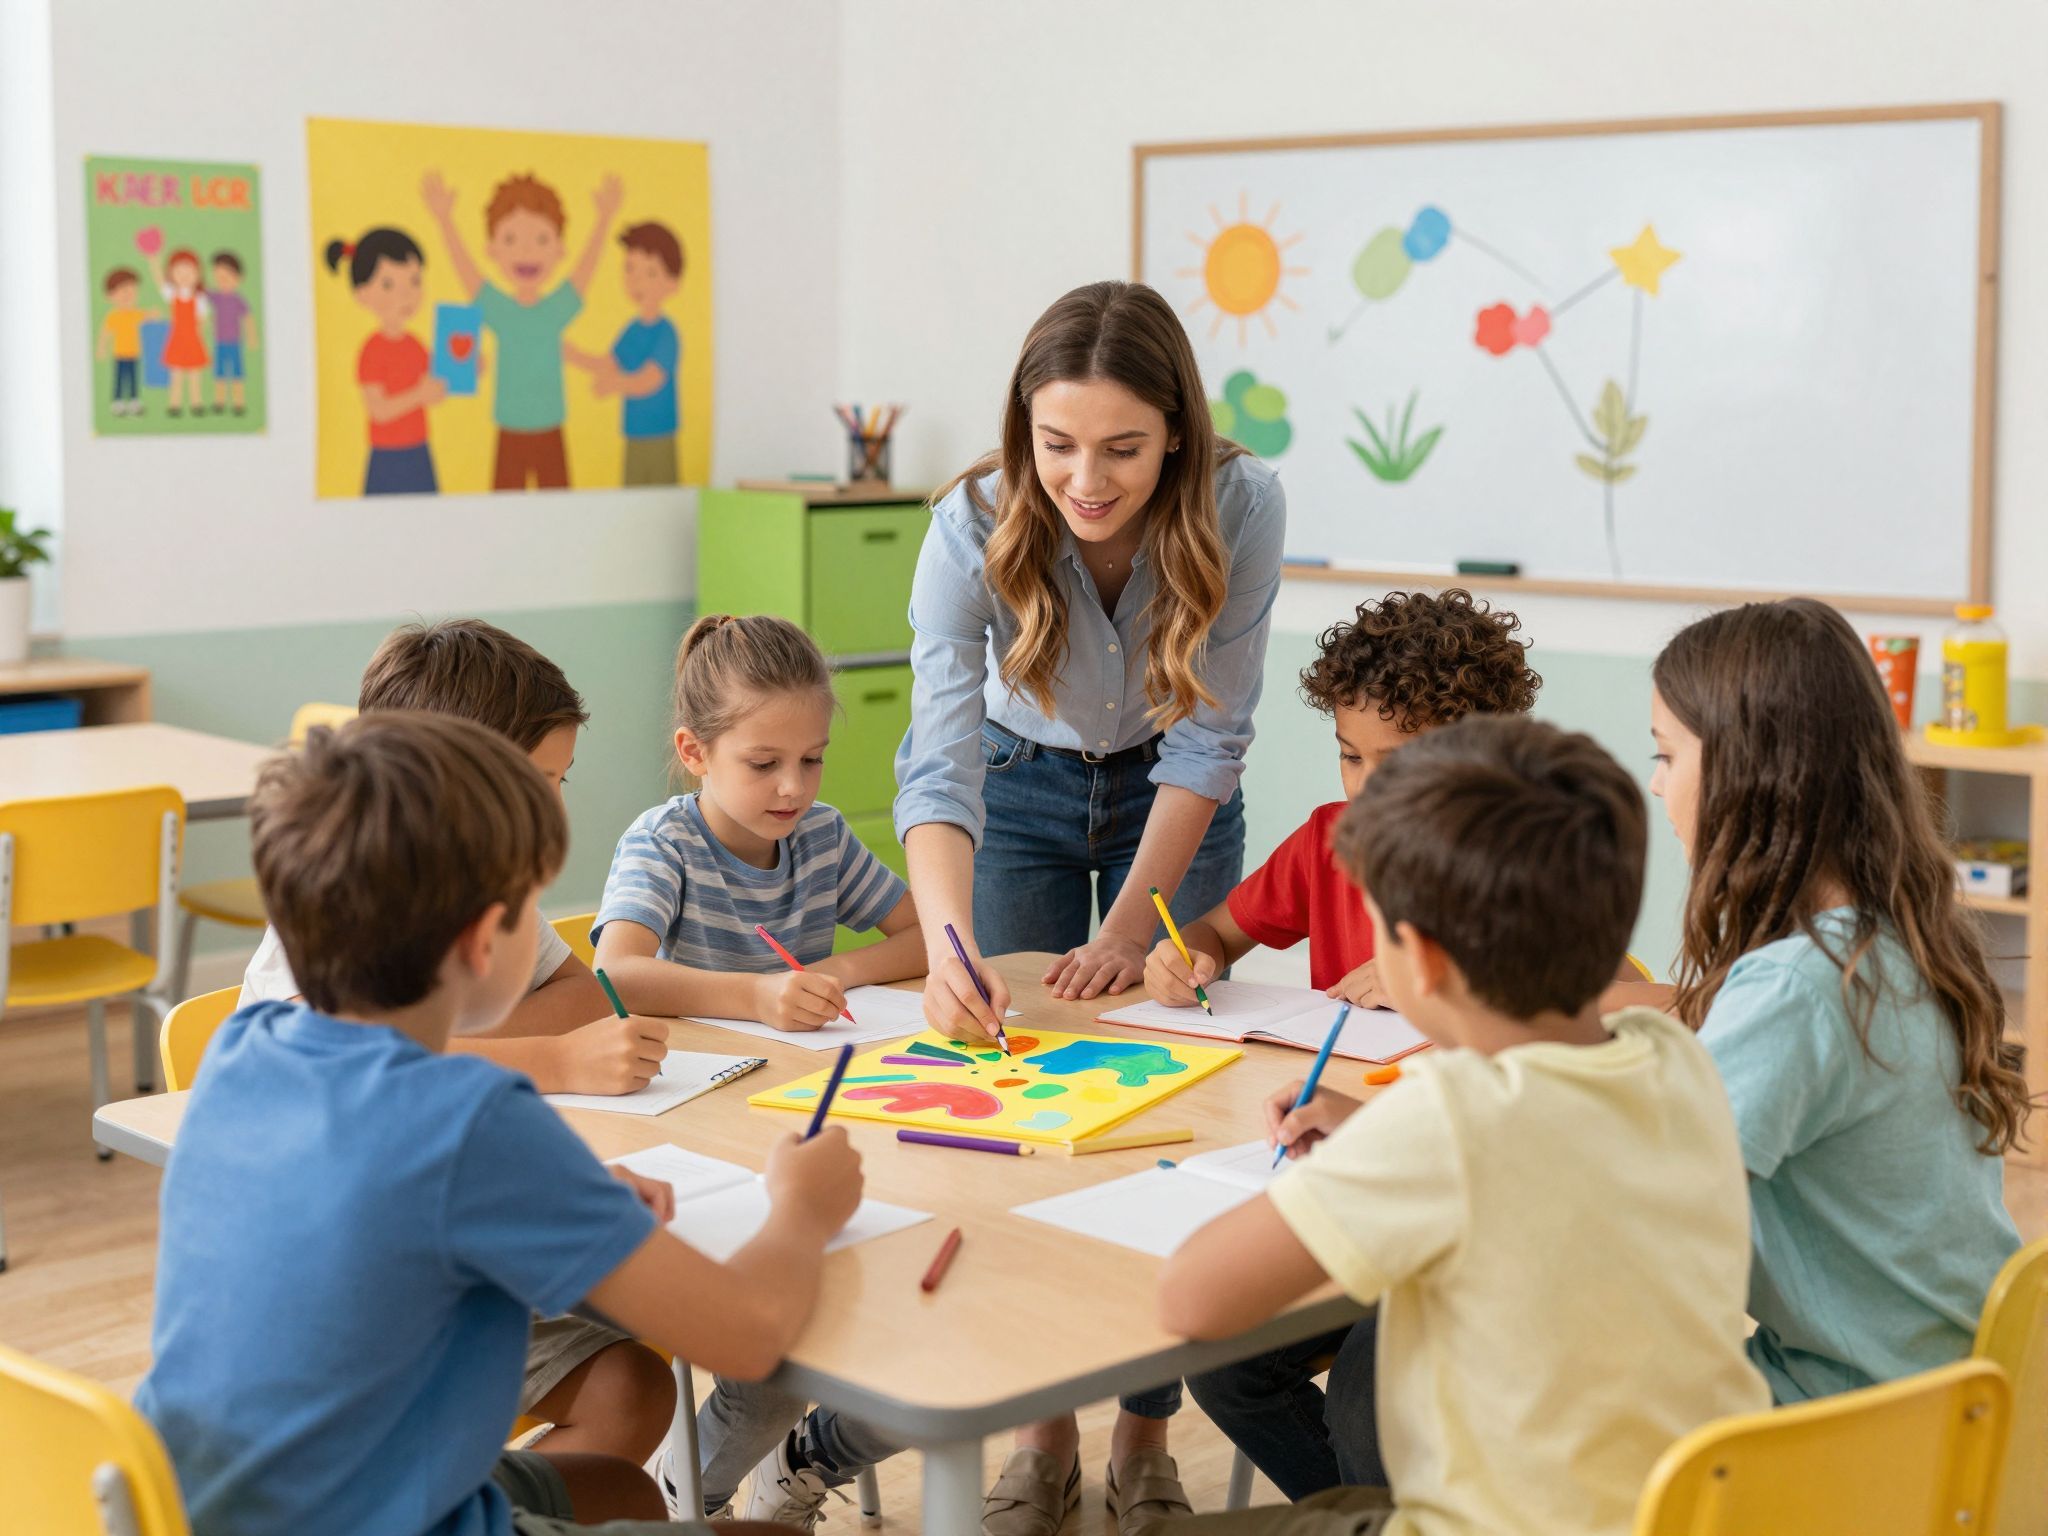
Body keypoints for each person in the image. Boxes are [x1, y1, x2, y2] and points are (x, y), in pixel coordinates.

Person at [892, 277, 1285, 1534]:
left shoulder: (1243, 500)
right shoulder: (970, 520)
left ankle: (1142, 1434)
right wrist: (949, 942)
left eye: (1121, 448)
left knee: (1179, 1108)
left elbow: (1208, 745)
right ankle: (1041, 1433)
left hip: (1178, 802)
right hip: (1016, 787)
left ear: (1176, 430)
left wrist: (1128, 932)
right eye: (1055, 446)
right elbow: (937, 757)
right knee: (1013, 1107)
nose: (1085, 479)